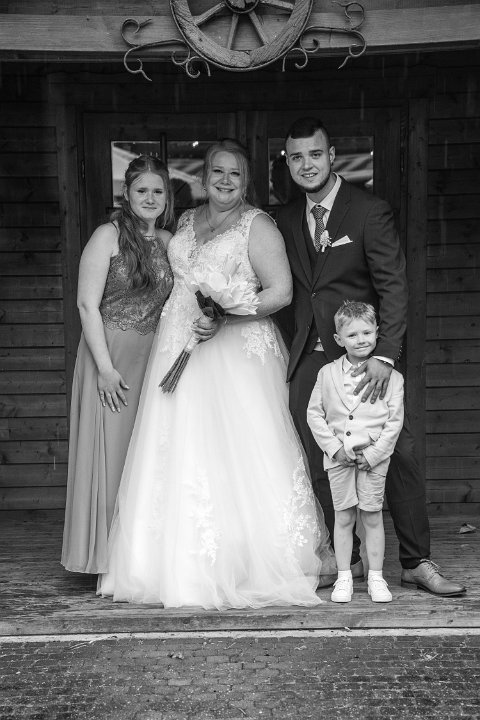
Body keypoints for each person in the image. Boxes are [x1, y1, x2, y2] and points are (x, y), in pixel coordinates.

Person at [98, 138, 336, 609]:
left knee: (243, 447)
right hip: (178, 346)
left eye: (235, 173)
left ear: (245, 182)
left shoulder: (258, 225)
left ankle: (252, 558)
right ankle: (170, 562)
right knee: (181, 445)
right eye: (217, 172)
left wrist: (229, 312)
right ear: (204, 178)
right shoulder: (185, 222)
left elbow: (281, 292)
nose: (226, 180)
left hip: (236, 354)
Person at [275, 116, 466, 596]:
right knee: (322, 457)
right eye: (296, 157)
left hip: (366, 359)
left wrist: (384, 354)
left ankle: (416, 561)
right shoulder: (284, 219)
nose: (306, 164)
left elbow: (393, 287)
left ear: (331, 156)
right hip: (312, 359)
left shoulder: (368, 211)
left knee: (397, 454)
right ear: (287, 162)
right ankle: (352, 559)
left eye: (314, 154)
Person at [61, 155, 174, 574]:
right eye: (142, 190)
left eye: (158, 191)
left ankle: (137, 558)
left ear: (167, 197)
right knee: (109, 457)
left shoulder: (167, 242)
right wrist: (105, 369)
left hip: (152, 359)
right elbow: (86, 305)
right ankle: (105, 559)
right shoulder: (107, 236)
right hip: (108, 358)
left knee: (142, 457)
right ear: (126, 193)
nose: (150, 198)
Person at [307, 301, 404, 603]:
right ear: (338, 339)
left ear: (377, 333)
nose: (360, 340)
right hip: (339, 462)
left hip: (373, 462)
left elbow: (394, 422)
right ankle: (344, 577)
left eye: (366, 333)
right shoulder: (326, 373)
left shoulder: (393, 378)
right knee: (344, 518)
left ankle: (376, 577)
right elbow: (314, 414)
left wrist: (374, 455)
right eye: (352, 335)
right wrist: (334, 449)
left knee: (372, 517)